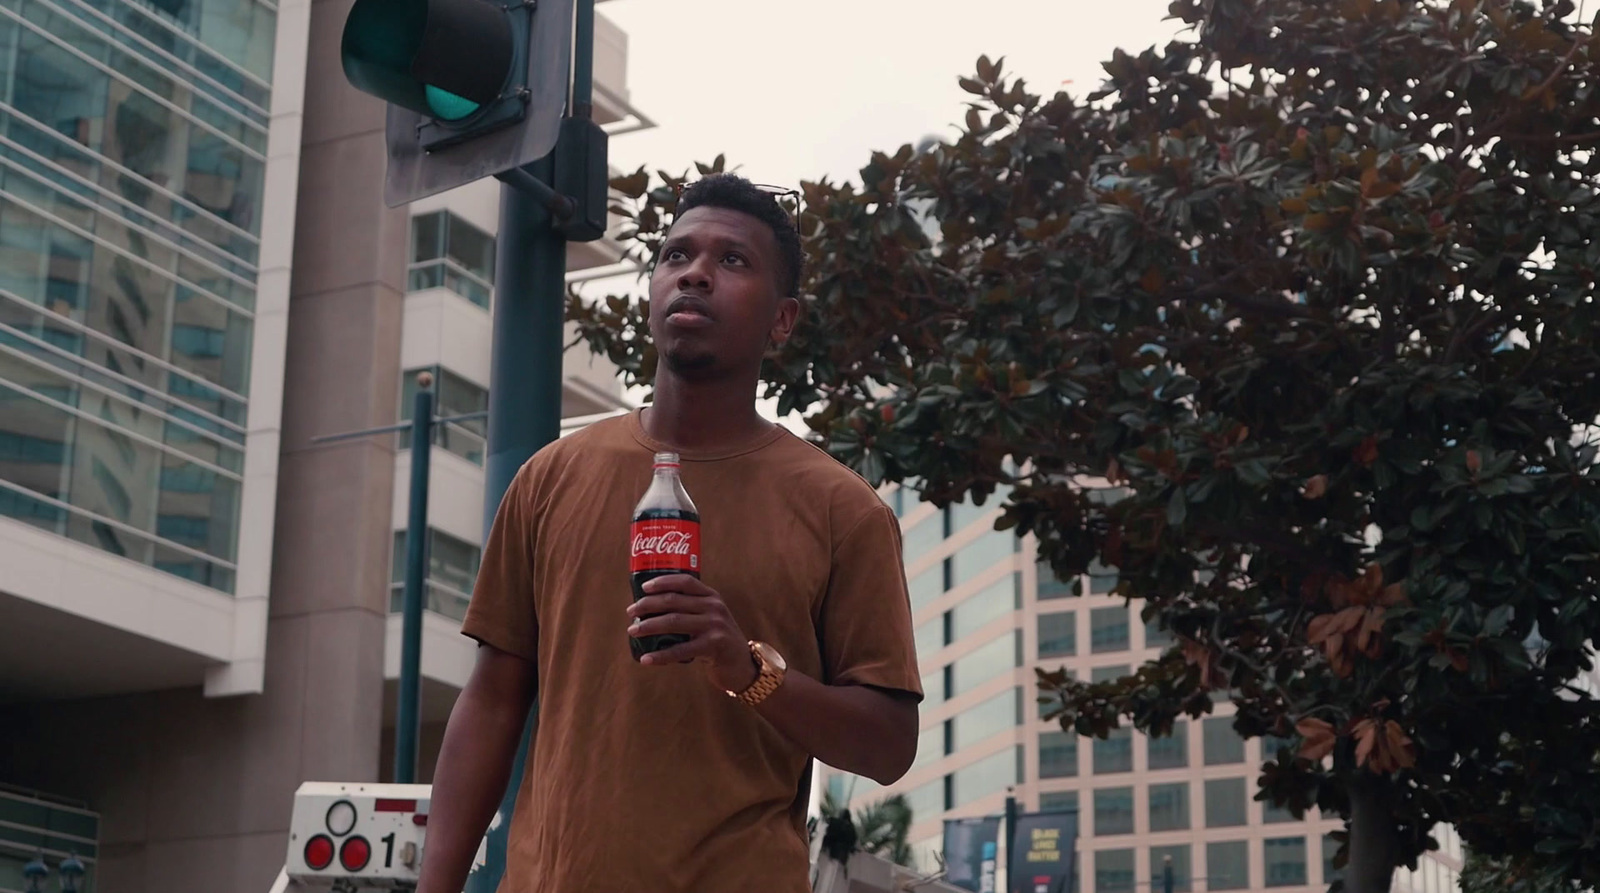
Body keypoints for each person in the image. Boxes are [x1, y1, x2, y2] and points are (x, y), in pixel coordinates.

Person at [415, 173, 923, 893]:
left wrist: (751, 671)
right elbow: (494, 699)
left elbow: (889, 743)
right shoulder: (550, 478)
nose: (694, 274)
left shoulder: (844, 511)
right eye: (675, 255)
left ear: (783, 320)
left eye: (732, 260)